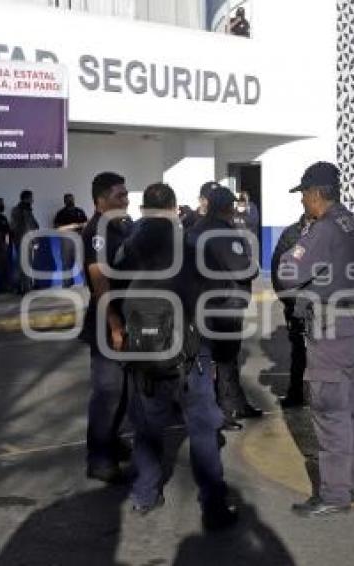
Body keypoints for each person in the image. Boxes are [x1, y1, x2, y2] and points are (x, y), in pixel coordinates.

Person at [115, 183, 238, 529]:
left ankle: (145, 494)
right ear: (172, 207)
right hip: (190, 351)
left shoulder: (129, 246)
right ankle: (213, 508)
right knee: (202, 429)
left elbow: (113, 289)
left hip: (143, 353)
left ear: (143, 208)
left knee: (147, 427)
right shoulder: (191, 246)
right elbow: (220, 293)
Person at [277, 161, 354, 518]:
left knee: (329, 412)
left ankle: (335, 493)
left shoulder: (322, 230)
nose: (302, 204)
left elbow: (287, 274)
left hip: (328, 331)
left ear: (315, 194)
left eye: (304, 196)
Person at [187, 185, 262, 431]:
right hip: (224, 305)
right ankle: (224, 410)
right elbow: (245, 268)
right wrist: (252, 264)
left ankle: (232, 404)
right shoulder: (223, 233)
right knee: (225, 360)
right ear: (227, 208)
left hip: (202, 303)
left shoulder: (195, 229)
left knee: (208, 360)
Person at [79, 172, 133, 483]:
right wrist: (114, 324)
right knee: (108, 390)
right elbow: (100, 281)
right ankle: (99, 458)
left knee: (122, 389)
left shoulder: (117, 227)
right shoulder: (97, 230)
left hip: (123, 315)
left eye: (126, 195)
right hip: (107, 318)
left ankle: (111, 441)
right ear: (101, 200)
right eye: (120, 196)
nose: (126, 201)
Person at [270, 213, 311, 408]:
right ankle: (296, 393)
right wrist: (285, 297)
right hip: (296, 304)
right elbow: (277, 266)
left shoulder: (329, 233)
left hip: (322, 304)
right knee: (298, 351)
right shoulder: (291, 234)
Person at [53, 193, 88, 288]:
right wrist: (73, 226)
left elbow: (86, 224)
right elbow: (57, 228)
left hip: (79, 238)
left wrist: (79, 227)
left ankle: (86, 282)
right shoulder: (61, 213)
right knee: (66, 262)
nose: (70, 201)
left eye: (71, 199)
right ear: (64, 201)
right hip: (66, 240)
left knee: (82, 261)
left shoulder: (79, 211)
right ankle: (67, 283)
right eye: (68, 200)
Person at [10, 190, 40, 295]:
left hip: (19, 241)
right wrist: (34, 241)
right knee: (26, 264)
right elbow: (29, 227)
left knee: (20, 264)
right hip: (26, 241)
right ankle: (26, 288)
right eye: (31, 198)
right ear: (26, 198)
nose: (32, 200)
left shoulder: (16, 210)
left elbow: (13, 227)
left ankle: (19, 287)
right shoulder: (25, 210)